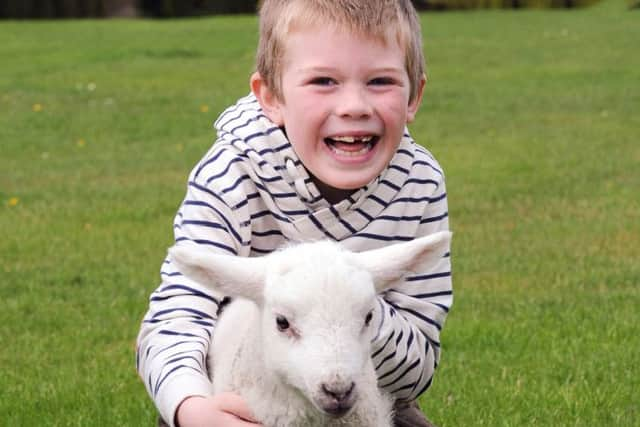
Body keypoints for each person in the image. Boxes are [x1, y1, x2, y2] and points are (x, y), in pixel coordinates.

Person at [136, 1, 452, 426]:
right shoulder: (232, 171)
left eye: (380, 81)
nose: (354, 106)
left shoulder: (420, 182)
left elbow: (415, 370)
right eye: (323, 81)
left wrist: (355, 308)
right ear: (272, 96)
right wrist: (193, 409)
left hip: (365, 396)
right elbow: (178, 315)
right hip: (239, 392)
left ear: (413, 96)